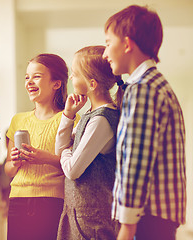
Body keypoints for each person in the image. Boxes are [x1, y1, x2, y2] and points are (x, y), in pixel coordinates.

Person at [103, 5, 186, 240]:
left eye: (108, 43)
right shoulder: (155, 84)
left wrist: (127, 226)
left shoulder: (142, 89)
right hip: (156, 215)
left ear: (127, 44)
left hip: (146, 217)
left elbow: (136, 159)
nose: (105, 53)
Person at [4, 53, 79, 240]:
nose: (29, 82)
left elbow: (76, 168)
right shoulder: (17, 120)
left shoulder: (71, 120)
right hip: (17, 200)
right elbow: (8, 170)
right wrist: (15, 162)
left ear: (56, 84)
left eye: (36, 76)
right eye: (27, 77)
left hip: (53, 202)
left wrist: (45, 158)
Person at [55, 46, 123, 240]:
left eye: (74, 74)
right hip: (77, 214)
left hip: (92, 220)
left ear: (92, 84)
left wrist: (67, 150)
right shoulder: (90, 115)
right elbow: (59, 149)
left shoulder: (102, 120)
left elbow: (72, 170)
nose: (70, 78)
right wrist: (68, 115)